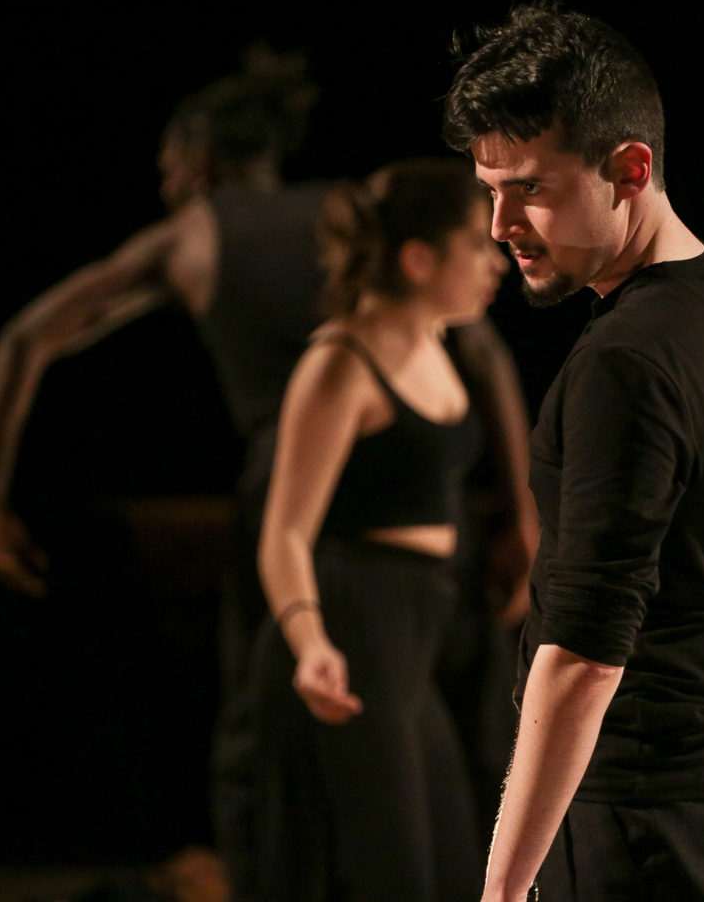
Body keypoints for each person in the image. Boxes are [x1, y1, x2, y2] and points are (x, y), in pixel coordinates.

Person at [0, 53, 535, 889]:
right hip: (349, 520)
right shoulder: (360, 213)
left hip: (356, 510)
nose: (165, 178)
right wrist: (521, 510)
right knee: (340, 774)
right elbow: (487, 360)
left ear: (201, 157)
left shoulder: (204, 233)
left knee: (291, 764)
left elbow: (29, 336)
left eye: (170, 158)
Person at [443, 3, 704, 902]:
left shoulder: (627, 362)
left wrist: (502, 890)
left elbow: (586, 654)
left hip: (635, 817)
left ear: (630, 169)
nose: (500, 224)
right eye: (489, 190)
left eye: (529, 186)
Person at [244, 158, 506, 901]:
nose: (495, 263)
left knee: (455, 867)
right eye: (476, 245)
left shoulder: (437, 342)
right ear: (418, 260)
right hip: (354, 625)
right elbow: (284, 533)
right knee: (392, 873)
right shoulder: (341, 362)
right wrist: (310, 643)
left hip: (413, 636)